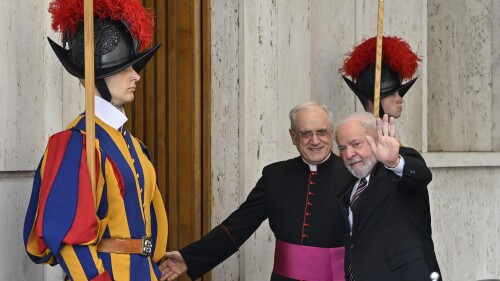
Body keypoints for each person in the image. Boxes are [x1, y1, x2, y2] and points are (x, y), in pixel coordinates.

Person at [23, 0, 168, 280]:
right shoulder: (76, 143)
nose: (136, 76)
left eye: (134, 67)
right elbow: (66, 236)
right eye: (124, 68)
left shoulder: (136, 147)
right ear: (97, 76)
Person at [159, 101, 354, 281]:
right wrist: (190, 258)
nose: (315, 140)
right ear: (293, 136)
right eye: (305, 133)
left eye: (321, 132)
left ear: (331, 133)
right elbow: (238, 226)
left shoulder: (353, 176)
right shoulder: (275, 176)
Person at [335, 112, 441, 280]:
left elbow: (421, 175)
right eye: (342, 148)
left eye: (356, 144)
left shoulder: (395, 170)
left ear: (377, 139)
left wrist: (394, 163)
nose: (348, 154)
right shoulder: (349, 187)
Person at [339, 36, 421, 118]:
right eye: (392, 94)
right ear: (373, 99)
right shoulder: (356, 130)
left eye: (398, 93)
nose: (400, 100)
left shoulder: (389, 130)